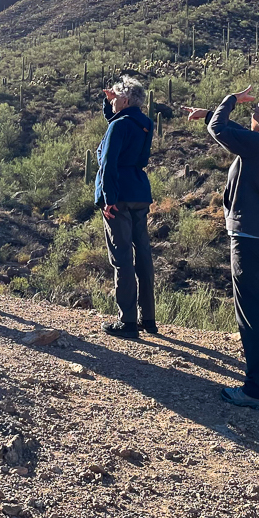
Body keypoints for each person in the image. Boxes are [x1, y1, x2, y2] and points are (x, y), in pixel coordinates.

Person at [182, 87, 259, 410]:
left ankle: (257, 388)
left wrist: (231, 99)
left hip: (250, 238)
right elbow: (227, 129)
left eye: (255, 113)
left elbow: (220, 129)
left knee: (252, 314)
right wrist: (208, 114)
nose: (252, 116)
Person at [95, 76, 156, 339]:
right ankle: (148, 318)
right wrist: (109, 104)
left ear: (126, 99)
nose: (114, 99)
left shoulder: (119, 126)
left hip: (118, 194)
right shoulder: (145, 123)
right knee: (142, 254)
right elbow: (121, 125)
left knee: (121, 259)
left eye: (117, 96)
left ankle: (127, 321)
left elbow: (108, 163)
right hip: (139, 191)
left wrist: (108, 198)